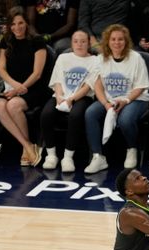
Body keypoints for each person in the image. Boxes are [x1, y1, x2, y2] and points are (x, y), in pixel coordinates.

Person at [83, 24, 149, 174]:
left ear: (126, 41)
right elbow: (98, 84)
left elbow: (140, 87)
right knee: (91, 113)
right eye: (113, 39)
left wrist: (125, 100)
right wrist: (105, 104)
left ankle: (132, 149)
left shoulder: (136, 58)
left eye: (120, 39)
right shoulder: (100, 59)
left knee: (125, 120)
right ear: (107, 41)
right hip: (110, 99)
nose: (117, 42)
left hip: (135, 99)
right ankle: (98, 157)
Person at [0, 6, 48, 167]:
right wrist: (15, 87)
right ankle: (27, 146)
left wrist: (20, 88)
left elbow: (37, 73)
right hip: (13, 86)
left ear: (26, 23)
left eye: (20, 23)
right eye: (13, 24)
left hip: (34, 88)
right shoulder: (6, 41)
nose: (17, 28)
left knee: (13, 106)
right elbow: (1, 69)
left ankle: (28, 148)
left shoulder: (37, 41)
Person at [39, 29, 95, 172]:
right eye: (76, 41)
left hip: (82, 97)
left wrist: (71, 99)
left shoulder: (95, 61)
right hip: (61, 95)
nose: (79, 44)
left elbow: (88, 86)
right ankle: (51, 155)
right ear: (71, 43)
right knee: (46, 114)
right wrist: (59, 96)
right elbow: (57, 80)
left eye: (83, 41)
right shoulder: (63, 58)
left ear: (89, 43)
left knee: (75, 116)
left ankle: (68, 157)